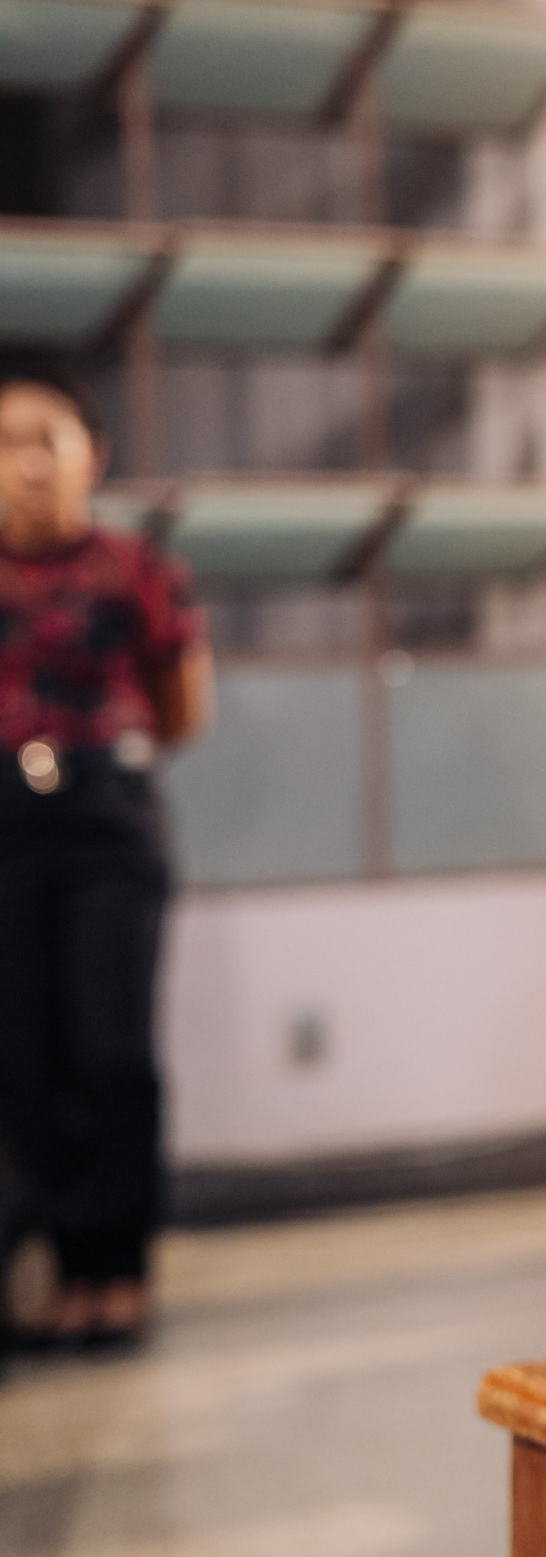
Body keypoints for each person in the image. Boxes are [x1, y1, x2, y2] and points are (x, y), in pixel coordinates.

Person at [0, 366, 211, 1350]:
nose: (29, 464)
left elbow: (182, 709)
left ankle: (117, 1265)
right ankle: (58, 1258)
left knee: (113, 1051)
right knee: (24, 1055)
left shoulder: (137, 568)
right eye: (7, 442)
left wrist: (99, 761)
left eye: (50, 439)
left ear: (94, 453)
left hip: (106, 816)